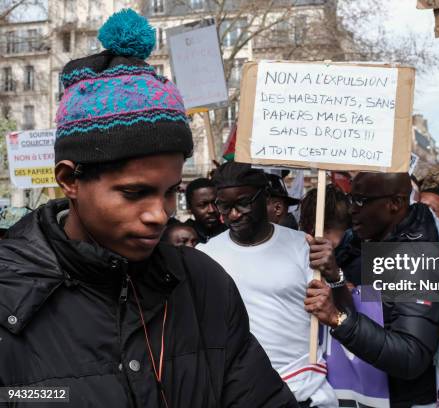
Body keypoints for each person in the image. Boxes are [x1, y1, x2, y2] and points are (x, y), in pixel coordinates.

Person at [0, 10, 297, 407]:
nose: (159, 214)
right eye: (134, 192)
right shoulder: (9, 293)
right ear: (70, 179)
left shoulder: (202, 282)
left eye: (171, 191)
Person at [198, 161, 337, 408]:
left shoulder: (305, 247)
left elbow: (338, 313)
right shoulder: (206, 256)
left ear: (265, 198)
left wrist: (335, 275)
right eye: (224, 206)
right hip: (243, 395)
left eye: (243, 203)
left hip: (304, 391)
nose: (233, 214)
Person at [305, 172, 439, 407]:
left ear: (395, 203)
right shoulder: (367, 243)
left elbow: (411, 355)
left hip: (403, 399)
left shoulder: (417, 257)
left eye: (360, 201)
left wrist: (338, 320)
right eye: (350, 199)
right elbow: (384, 305)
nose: (351, 209)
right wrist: (337, 279)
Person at [184, 177, 227, 244]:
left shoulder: (230, 234)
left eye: (216, 203)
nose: (211, 210)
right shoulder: (182, 237)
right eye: (203, 205)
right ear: (190, 208)